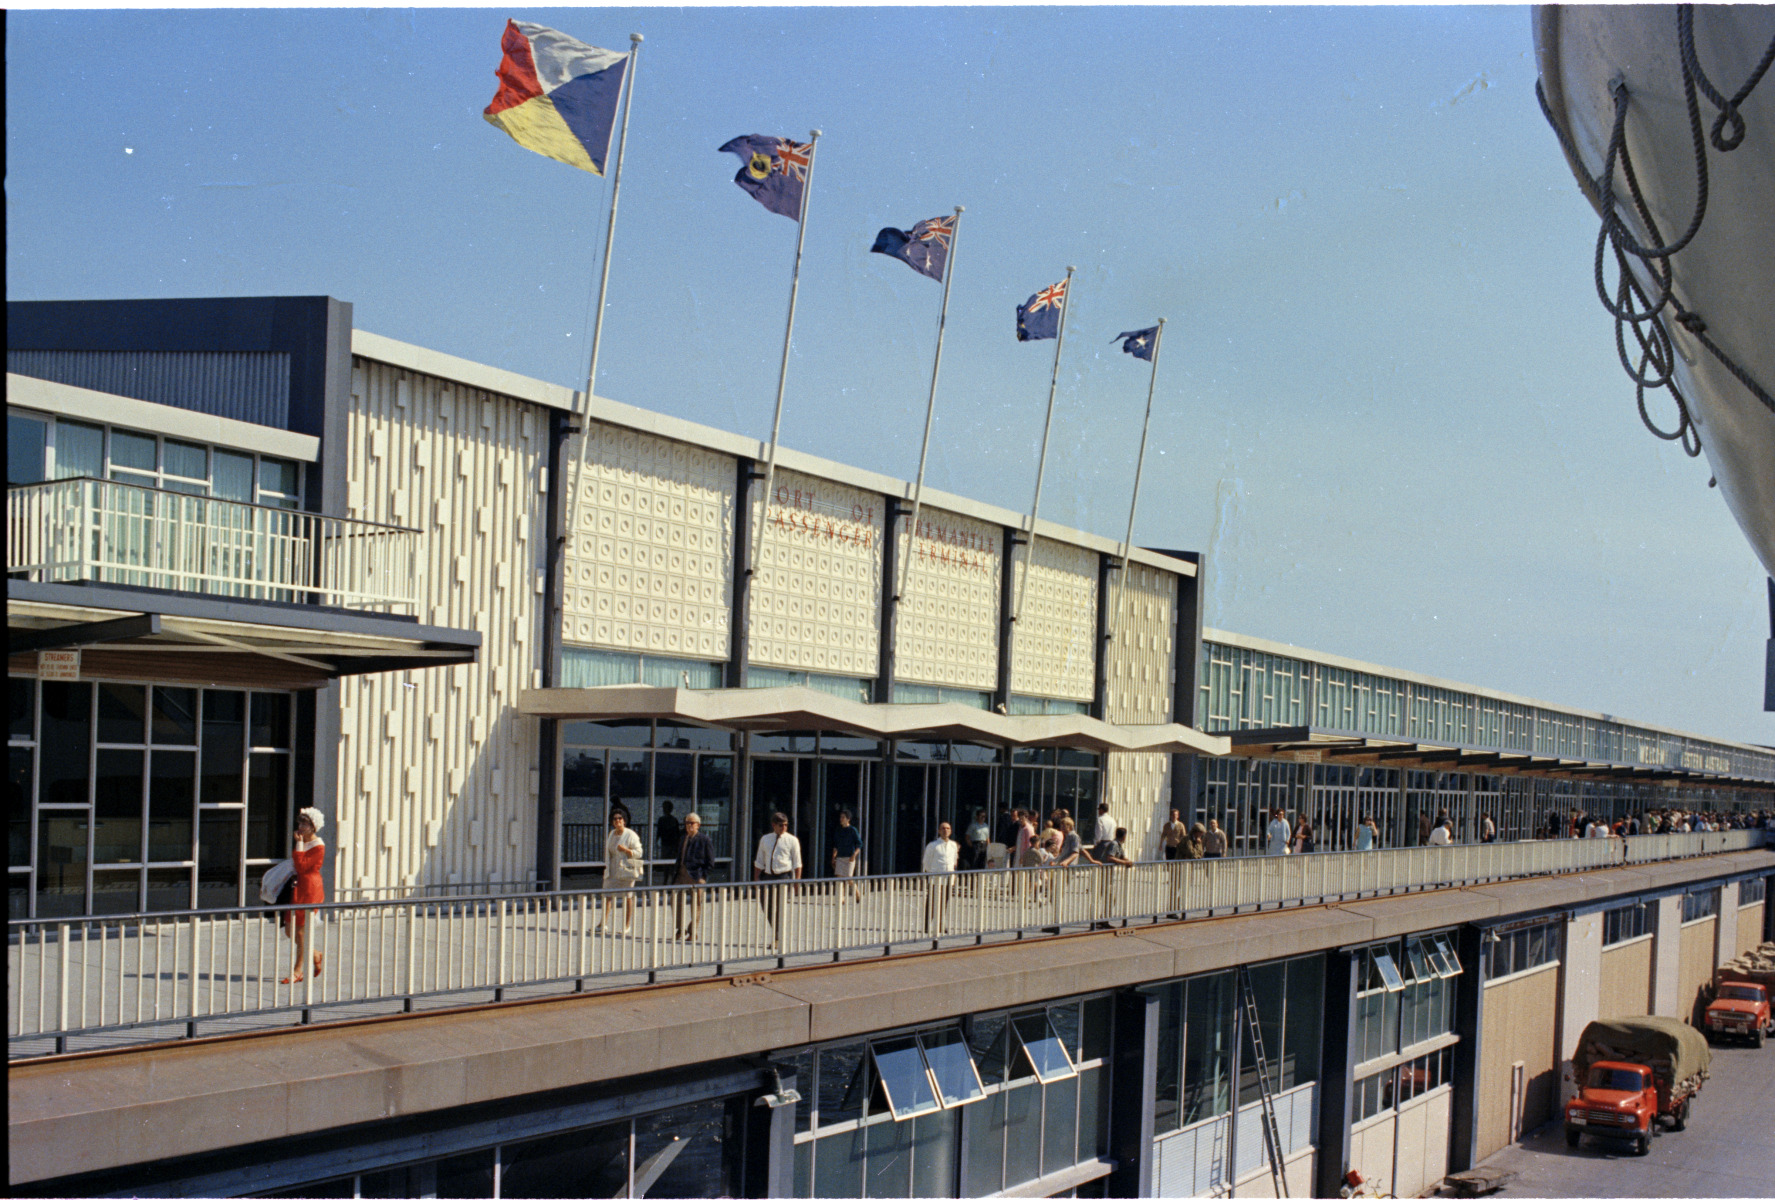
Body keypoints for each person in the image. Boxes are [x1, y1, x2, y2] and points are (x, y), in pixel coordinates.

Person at [281, 807, 326, 985]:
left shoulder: (318, 845)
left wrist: (299, 845)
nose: (301, 826)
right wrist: (299, 845)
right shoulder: (302, 841)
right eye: (300, 822)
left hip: (310, 888)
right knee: (289, 929)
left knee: (300, 932)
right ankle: (315, 953)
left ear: (313, 826)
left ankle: (297, 971)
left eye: (305, 823)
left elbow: (302, 866)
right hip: (299, 886)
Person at [753, 812, 803, 948]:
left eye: (786, 825)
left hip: (783, 877)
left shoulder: (792, 840)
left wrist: (796, 882)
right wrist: (756, 878)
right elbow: (759, 860)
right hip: (768, 876)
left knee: (779, 907)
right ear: (773, 825)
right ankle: (777, 932)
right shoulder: (765, 839)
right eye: (781, 825)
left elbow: (797, 863)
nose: (784, 828)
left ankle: (777, 937)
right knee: (766, 905)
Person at [600, 809, 645, 932]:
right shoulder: (612, 834)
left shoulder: (630, 835)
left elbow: (639, 852)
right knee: (607, 895)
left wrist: (626, 850)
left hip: (626, 869)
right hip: (612, 869)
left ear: (624, 820)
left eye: (620, 818)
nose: (617, 821)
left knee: (627, 896)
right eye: (615, 819)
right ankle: (603, 923)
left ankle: (627, 925)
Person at [673, 811, 714, 939]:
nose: (689, 825)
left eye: (692, 823)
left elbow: (710, 861)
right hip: (681, 874)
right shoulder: (683, 838)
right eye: (687, 823)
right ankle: (680, 928)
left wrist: (703, 876)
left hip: (696, 876)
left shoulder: (704, 840)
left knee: (696, 904)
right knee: (675, 900)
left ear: (698, 825)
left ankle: (693, 931)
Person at [922, 821, 958, 933]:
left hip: (948, 879)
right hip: (936, 879)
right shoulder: (933, 845)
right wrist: (932, 873)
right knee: (932, 902)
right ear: (939, 831)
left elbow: (954, 860)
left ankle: (941, 924)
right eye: (943, 828)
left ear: (950, 831)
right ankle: (927, 925)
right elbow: (926, 862)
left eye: (947, 828)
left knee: (944, 903)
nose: (945, 830)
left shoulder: (953, 845)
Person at [828, 808, 864, 901]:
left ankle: (857, 894)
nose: (841, 819)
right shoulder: (838, 830)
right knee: (839, 878)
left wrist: (854, 855)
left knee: (848, 878)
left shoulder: (852, 830)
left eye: (843, 817)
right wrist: (833, 857)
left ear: (848, 819)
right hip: (840, 857)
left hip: (849, 858)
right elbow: (836, 845)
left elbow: (859, 844)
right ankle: (841, 898)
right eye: (840, 817)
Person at [655, 800, 682, 877]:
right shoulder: (673, 820)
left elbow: (659, 832)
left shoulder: (663, 820)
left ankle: (667, 880)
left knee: (667, 863)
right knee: (670, 864)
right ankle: (668, 880)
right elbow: (677, 833)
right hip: (670, 844)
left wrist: (657, 841)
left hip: (668, 844)